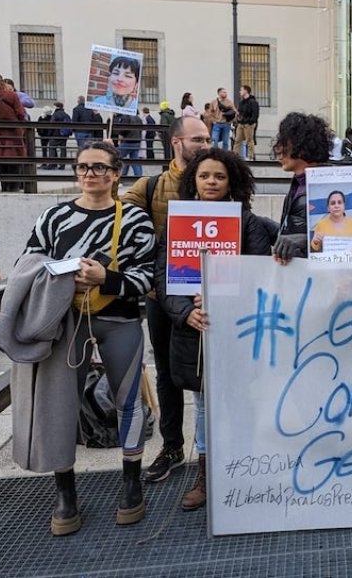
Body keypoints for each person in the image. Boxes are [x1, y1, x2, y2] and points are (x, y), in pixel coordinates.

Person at [15, 141, 155, 535]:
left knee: (129, 402)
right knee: (61, 406)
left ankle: (130, 483)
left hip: (120, 319)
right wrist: (61, 273)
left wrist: (105, 278)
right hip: (66, 323)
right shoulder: (54, 217)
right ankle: (65, 493)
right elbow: (28, 263)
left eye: (99, 167)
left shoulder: (135, 220)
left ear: (115, 173)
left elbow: (148, 276)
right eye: (82, 166)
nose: (90, 173)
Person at [158, 148, 272, 511]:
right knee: (205, 405)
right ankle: (207, 478)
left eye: (219, 177)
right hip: (195, 329)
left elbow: (259, 274)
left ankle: (244, 472)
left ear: (231, 181)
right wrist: (183, 313)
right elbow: (164, 279)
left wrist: (225, 299)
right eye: (205, 175)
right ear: (193, 179)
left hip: (236, 327)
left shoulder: (248, 223)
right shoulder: (178, 222)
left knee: (243, 403)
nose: (211, 182)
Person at [122, 116, 212, 484]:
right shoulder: (151, 185)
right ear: (177, 142)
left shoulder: (217, 175)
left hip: (211, 296)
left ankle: (216, 451)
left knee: (212, 374)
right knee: (169, 373)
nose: (206, 144)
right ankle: (173, 446)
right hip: (164, 297)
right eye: (198, 139)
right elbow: (116, 217)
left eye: (208, 138)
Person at [271, 112, 333, 264]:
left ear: (301, 144)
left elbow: (344, 236)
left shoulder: (329, 185)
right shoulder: (298, 183)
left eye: (284, 141)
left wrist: (303, 240)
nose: (278, 148)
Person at [0, 76, 27, 192]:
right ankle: (14, 188)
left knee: (1, 161)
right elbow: (21, 113)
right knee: (14, 160)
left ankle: (4, 187)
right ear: (2, 82)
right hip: (13, 132)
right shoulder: (12, 95)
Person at [115, 112, 144, 178]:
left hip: (127, 141)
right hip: (136, 141)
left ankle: (119, 177)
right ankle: (138, 177)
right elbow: (141, 129)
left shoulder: (126, 117)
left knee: (117, 158)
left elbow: (124, 129)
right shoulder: (138, 118)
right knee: (134, 161)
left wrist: (121, 134)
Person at [235, 85, 260, 160]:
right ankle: (234, 156)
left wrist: (250, 122)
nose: (240, 92)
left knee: (249, 141)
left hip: (249, 124)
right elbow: (239, 112)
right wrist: (239, 120)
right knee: (237, 140)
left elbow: (255, 114)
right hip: (241, 124)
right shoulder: (241, 102)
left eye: (241, 90)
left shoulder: (253, 102)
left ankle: (250, 156)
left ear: (246, 91)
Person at [50, 101, 72, 169]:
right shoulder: (66, 114)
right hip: (65, 135)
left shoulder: (55, 114)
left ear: (56, 107)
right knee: (63, 149)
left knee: (52, 147)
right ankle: (62, 165)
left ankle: (53, 164)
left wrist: (50, 134)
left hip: (56, 134)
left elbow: (51, 124)